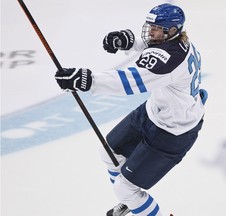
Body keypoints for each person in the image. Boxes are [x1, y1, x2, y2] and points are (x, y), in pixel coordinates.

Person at [55, 3, 208, 216]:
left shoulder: (169, 60)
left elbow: (130, 81)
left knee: (124, 188)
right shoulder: (179, 42)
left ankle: (131, 197)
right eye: (150, 27)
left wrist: (88, 80)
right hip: (155, 112)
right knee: (109, 152)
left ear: (172, 31)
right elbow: (155, 48)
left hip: (174, 132)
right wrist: (129, 43)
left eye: (157, 29)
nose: (151, 32)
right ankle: (131, 200)